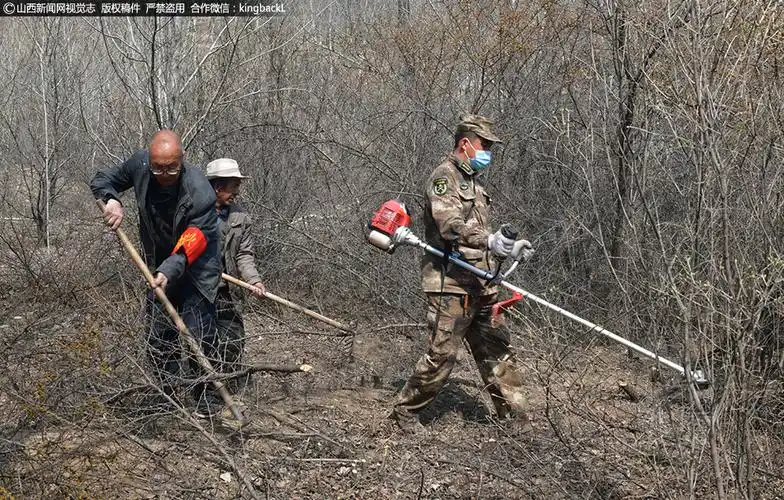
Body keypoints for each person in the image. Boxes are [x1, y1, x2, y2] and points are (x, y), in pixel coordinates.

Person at [391, 114, 535, 433]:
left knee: (498, 350)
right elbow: (451, 226)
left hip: (482, 284)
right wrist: (490, 240)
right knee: (442, 355)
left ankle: (515, 419)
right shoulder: (444, 177)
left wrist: (509, 247)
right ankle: (405, 413)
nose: (488, 152)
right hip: (452, 285)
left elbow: (481, 236)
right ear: (465, 144)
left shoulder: (475, 183)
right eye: (484, 145)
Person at [90, 130, 225, 418]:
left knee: (199, 332)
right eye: (158, 167)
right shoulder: (139, 165)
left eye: (171, 167)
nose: (164, 173)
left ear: (183, 159)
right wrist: (111, 198)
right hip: (157, 261)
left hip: (196, 265)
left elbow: (194, 239)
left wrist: (169, 269)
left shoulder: (200, 190)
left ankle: (208, 399)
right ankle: (168, 395)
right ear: (149, 159)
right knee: (159, 333)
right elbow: (102, 179)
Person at [205, 158, 265, 389]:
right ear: (217, 187)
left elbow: (244, 254)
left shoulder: (240, 217)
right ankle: (204, 392)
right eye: (233, 186)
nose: (237, 193)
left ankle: (229, 387)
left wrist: (253, 280)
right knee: (203, 340)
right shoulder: (196, 213)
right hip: (199, 289)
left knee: (233, 339)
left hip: (227, 291)